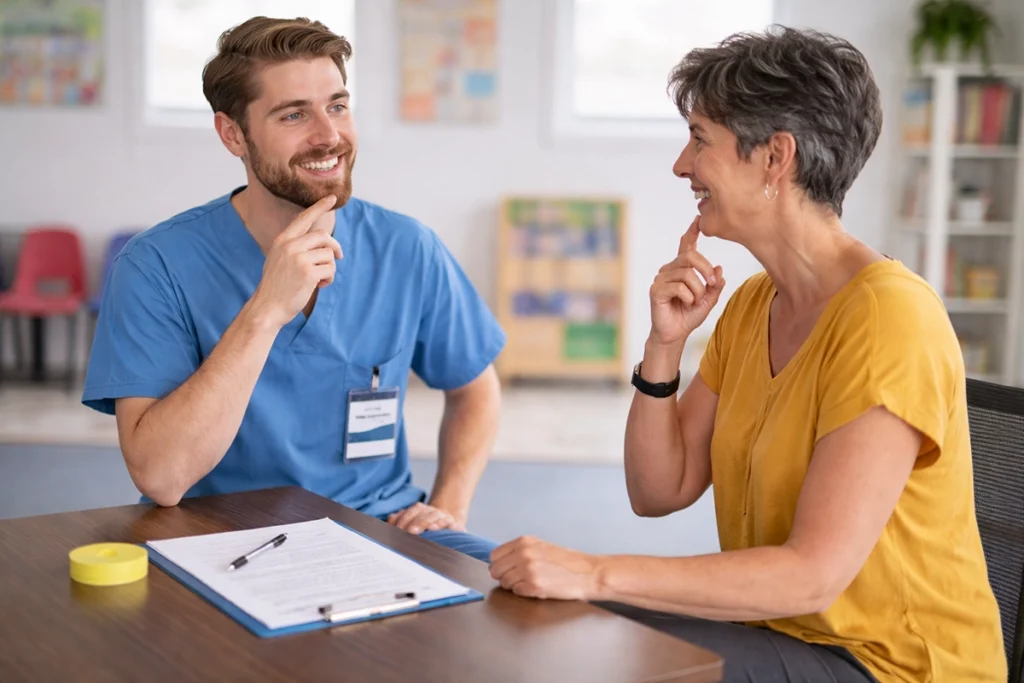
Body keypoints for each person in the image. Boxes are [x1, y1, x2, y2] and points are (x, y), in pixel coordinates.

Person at [488, 26, 1005, 682]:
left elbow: (812, 576)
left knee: (607, 649)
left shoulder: (889, 318)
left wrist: (593, 571)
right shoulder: (755, 303)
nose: (681, 165)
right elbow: (658, 490)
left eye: (700, 140)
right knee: (579, 631)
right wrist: (664, 346)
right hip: (787, 634)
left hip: (889, 665)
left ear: (775, 157)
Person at [82, 16, 506, 563]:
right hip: (220, 542)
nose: (329, 135)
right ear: (233, 134)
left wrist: (448, 504)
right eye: (293, 114)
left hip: (381, 529)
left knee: (533, 590)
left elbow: (476, 389)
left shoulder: (406, 247)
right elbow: (161, 477)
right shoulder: (155, 266)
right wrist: (266, 310)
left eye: (337, 106)